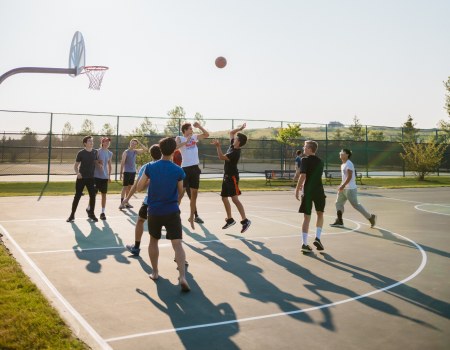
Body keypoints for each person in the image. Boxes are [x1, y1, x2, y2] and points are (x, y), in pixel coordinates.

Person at [137, 137, 190, 291]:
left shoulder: (150, 167)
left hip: (154, 211)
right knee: (177, 244)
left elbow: (140, 188)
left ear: (160, 150)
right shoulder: (178, 170)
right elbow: (180, 191)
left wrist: (148, 181)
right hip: (172, 210)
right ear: (174, 150)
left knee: (153, 240)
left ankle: (154, 272)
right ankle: (182, 277)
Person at [211, 123, 251, 233]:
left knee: (234, 199)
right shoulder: (233, 146)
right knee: (224, 198)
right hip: (226, 176)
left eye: (236, 138)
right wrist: (240, 128)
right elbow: (231, 132)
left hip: (232, 177)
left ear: (239, 142)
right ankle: (230, 219)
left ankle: (245, 220)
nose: (234, 138)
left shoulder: (235, 152)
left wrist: (218, 146)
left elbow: (221, 157)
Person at [123, 144, 161, 256]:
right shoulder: (170, 166)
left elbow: (137, 186)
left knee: (140, 220)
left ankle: (136, 247)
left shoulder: (147, 166)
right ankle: (180, 256)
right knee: (172, 231)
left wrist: (127, 198)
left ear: (150, 154)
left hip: (150, 201)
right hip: (167, 203)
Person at [330, 149, 377, 228]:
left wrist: (343, 185)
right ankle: (339, 221)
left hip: (350, 189)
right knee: (338, 203)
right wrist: (341, 185)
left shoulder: (349, 163)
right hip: (344, 188)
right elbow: (344, 178)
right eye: (340, 152)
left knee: (355, 205)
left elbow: (349, 176)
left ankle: (371, 217)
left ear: (347, 155)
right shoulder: (343, 165)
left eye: (342, 153)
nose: (340, 154)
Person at [176, 122, 209, 229]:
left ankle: (192, 216)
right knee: (180, 194)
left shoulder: (194, 137)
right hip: (185, 169)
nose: (192, 130)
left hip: (195, 168)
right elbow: (175, 147)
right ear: (185, 130)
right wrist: (185, 141)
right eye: (190, 129)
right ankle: (175, 214)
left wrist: (199, 126)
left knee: (194, 195)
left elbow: (206, 135)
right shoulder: (179, 138)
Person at [295, 140, 326, 253]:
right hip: (319, 190)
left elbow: (303, 175)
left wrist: (297, 189)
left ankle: (304, 244)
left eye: (305, 146)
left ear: (310, 149)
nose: (303, 148)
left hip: (308, 191)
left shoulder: (304, 160)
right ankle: (317, 238)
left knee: (307, 217)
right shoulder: (321, 161)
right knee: (320, 213)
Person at [67, 135, 101, 223]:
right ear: (85, 143)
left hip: (91, 178)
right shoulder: (81, 153)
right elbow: (75, 165)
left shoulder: (95, 152)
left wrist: (99, 165)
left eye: (92, 141)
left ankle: (92, 214)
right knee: (77, 197)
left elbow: (95, 163)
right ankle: (72, 215)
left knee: (93, 196)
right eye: (89, 141)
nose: (91, 142)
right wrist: (78, 173)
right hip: (81, 178)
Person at [172, 149, 203, 224]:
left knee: (192, 196)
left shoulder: (190, 150)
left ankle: (195, 215)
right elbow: (174, 163)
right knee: (180, 195)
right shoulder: (176, 152)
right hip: (181, 176)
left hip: (189, 175)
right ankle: (174, 215)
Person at [86, 137, 113, 220]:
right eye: (106, 141)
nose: (108, 142)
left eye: (109, 141)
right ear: (102, 142)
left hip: (104, 177)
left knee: (104, 194)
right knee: (94, 194)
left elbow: (109, 165)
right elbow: (94, 162)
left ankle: (102, 212)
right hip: (96, 176)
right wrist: (99, 163)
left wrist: (109, 176)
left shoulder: (110, 153)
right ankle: (89, 208)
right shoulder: (98, 151)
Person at [119, 139, 147, 209]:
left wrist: (139, 143)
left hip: (133, 172)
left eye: (135, 144)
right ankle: (122, 203)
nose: (133, 145)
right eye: (132, 143)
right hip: (127, 172)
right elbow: (122, 163)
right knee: (125, 187)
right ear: (130, 143)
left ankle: (127, 202)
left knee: (129, 187)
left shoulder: (135, 151)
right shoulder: (125, 152)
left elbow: (145, 149)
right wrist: (120, 173)